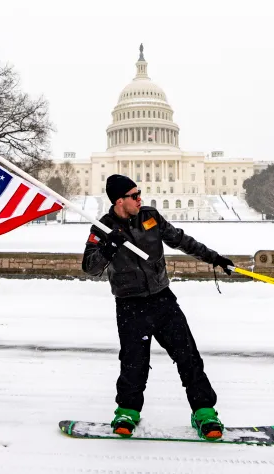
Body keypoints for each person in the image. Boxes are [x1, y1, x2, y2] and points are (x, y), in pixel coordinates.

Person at [83, 174, 235, 440]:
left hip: (162, 299)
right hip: (130, 305)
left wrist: (215, 258)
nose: (140, 198)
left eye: (139, 193)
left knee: (188, 356)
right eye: (134, 195)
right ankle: (127, 411)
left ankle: (204, 412)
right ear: (120, 200)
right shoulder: (103, 228)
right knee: (134, 362)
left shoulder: (149, 217)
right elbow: (90, 268)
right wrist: (109, 247)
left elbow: (181, 240)